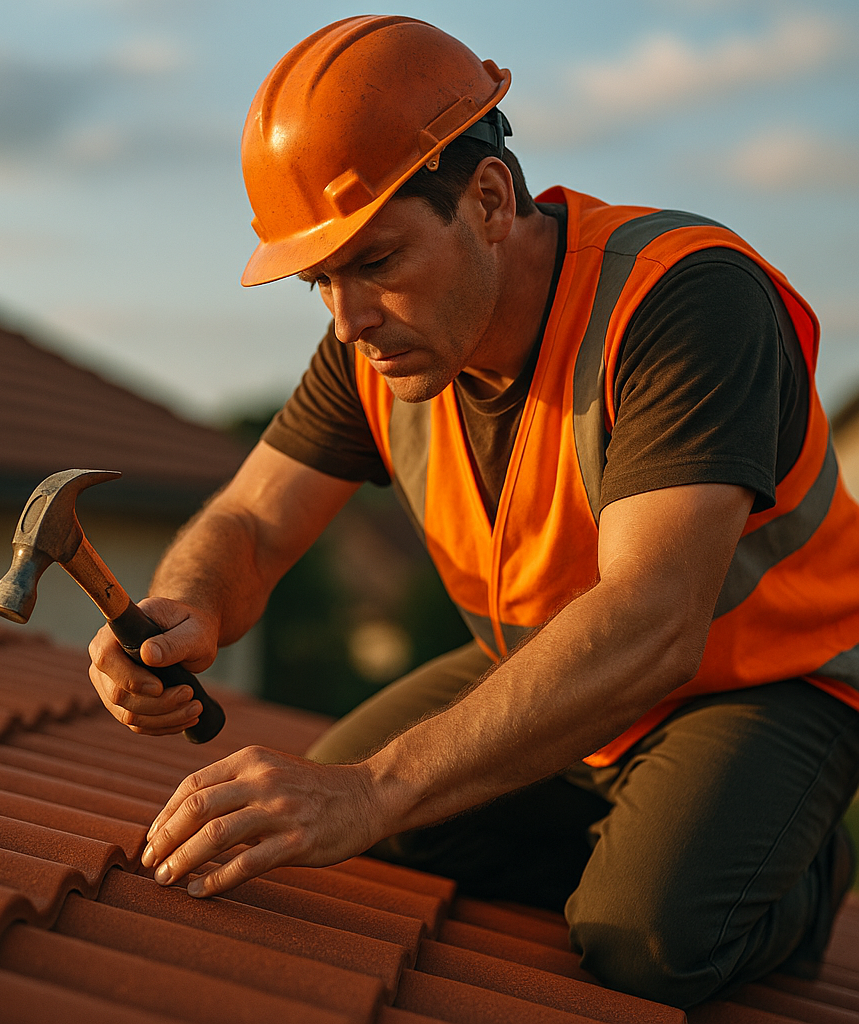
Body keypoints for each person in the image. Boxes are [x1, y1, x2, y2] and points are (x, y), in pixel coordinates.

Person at [88, 15, 859, 1008]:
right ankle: (648, 837)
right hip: (557, 669)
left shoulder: (681, 300)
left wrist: (374, 792)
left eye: (376, 259)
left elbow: (654, 618)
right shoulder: (382, 344)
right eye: (322, 278)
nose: (348, 317)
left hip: (759, 679)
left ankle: (786, 872)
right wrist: (182, 607)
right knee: (333, 808)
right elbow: (251, 522)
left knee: (647, 940)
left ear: (489, 200)